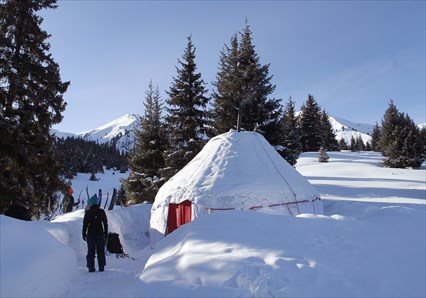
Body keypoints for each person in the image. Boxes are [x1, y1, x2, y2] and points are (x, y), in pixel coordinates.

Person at [82, 195, 108, 272]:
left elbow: (85, 224)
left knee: (91, 251)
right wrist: (105, 233)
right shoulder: (101, 211)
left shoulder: (88, 212)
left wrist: (83, 234)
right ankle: (101, 267)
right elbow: (105, 223)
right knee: (101, 250)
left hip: (90, 234)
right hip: (100, 233)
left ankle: (91, 267)